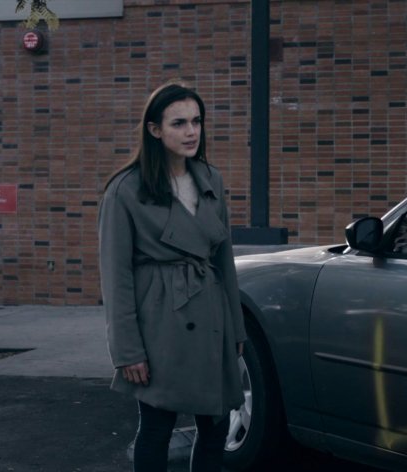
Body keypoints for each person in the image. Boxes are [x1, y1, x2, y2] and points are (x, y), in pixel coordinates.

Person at [98, 80, 246, 472]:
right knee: (157, 427)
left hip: (212, 314)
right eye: (179, 123)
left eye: (196, 121)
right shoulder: (126, 189)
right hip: (160, 320)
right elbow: (116, 277)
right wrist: (128, 350)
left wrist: (237, 330)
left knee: (215, 428)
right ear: (155, 129)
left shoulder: (210, 179)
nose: (191, 131)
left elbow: (224, 260)